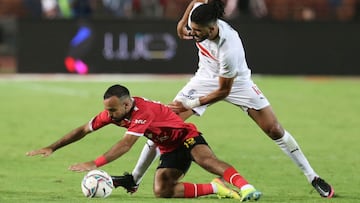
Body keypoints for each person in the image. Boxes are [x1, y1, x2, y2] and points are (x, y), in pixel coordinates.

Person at [116, 0, 335, 199]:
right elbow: (195, 2)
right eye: (192, 29)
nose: (193, 34)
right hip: (204, 78)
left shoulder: (229, 48)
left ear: (212, 29)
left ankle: (312, 176)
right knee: (164, 123)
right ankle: (134, 179)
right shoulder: (199, 14)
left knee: (274, 129)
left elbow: (223, 90)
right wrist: (182, 23)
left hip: (236, 83)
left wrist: (189, 104)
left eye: (197, 31)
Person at [26, 84, 262, 201]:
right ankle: (215, 188)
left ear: (127, 105)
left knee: (206, 159)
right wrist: (52, 147)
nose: (108, 113)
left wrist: (95, 162)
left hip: (185, 136)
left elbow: (126, 144)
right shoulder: (113, 113)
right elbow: (82, 130)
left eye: (112, 109)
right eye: (106, 109)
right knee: (162, 190)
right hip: (167, 147)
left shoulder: (142, 112)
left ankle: (246, 187)